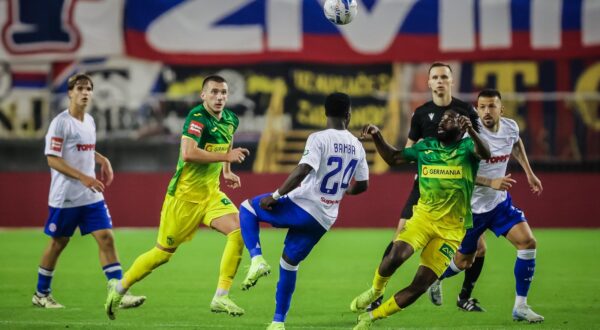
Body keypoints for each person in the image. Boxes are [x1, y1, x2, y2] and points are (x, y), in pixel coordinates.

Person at [104, 75, 250, 320]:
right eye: (214, 92)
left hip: (211, 195)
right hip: (183, 198)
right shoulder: (196, 118)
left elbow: (227, 142)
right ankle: (118, 289)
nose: (220, 97)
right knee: (162, 254)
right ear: (203, 95)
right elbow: (188, 153)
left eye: (223, 92)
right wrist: (226, 158)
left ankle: (220, 296)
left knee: (239, 231)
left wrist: (227, 171)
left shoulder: (230, 119)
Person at [368, 62, 502, 313]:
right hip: (426, 184)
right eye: (435, 77)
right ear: (429, 83)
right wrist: (422, 173)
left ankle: (460, 292)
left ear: (452, 81)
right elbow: (408, 148)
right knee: (399, 239)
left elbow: (479, 147)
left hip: (456, 189)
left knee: (478, 248)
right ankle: (378, 293)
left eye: (444, 77)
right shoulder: (421, 113)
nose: (440, 81)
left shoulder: (465, 111)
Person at [350, 108, 491, 330]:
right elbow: (394, 158)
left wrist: (472, 131)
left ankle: (372, 317)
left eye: (449, 120)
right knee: (396, 254)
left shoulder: (467, 148)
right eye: (441, 120)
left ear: (462, 126)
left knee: (420, 285)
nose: (442, 123)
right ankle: (376, 291)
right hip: (423, 219)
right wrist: (377, 135)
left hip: (451, 232)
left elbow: (486, 153)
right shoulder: (426, 146)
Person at [238, 92, 369, 330]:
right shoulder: (357, 146)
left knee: (247, 208)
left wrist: (275, 196)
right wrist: (344, 192)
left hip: (304, 205)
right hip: (325, 218)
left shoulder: (318, 138)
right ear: (349, 115)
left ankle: (256, 259)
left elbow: (303, 170)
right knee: (289, 264)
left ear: (325, 113)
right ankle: (278, 322)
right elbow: (363, 185)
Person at [426, 89, 544, 322]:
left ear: (502, 109)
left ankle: (520, 306)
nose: (486, 111)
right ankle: (435, 278)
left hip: (499, 204)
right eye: (482, 107)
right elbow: (457, 173)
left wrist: (529, 173)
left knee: (528, 242)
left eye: (491, 106)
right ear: (477, 109)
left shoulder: (510, 127)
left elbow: (516, 144)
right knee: (464, 260)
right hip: (472, 209)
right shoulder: (467, 136)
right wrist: (491, 181)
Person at [33, 73, 146, 309]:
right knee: (58, 243)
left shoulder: (90, 121)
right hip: (65, 196)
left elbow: (83, 150)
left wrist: (102, 159)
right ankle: (41, 294)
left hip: (90, 194)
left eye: (89, 89)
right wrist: (84, 177)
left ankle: (118, 292)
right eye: (80, 88)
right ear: (70, 92)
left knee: (106, 238)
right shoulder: (60, 123)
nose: (85, 93)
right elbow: (53, 159)